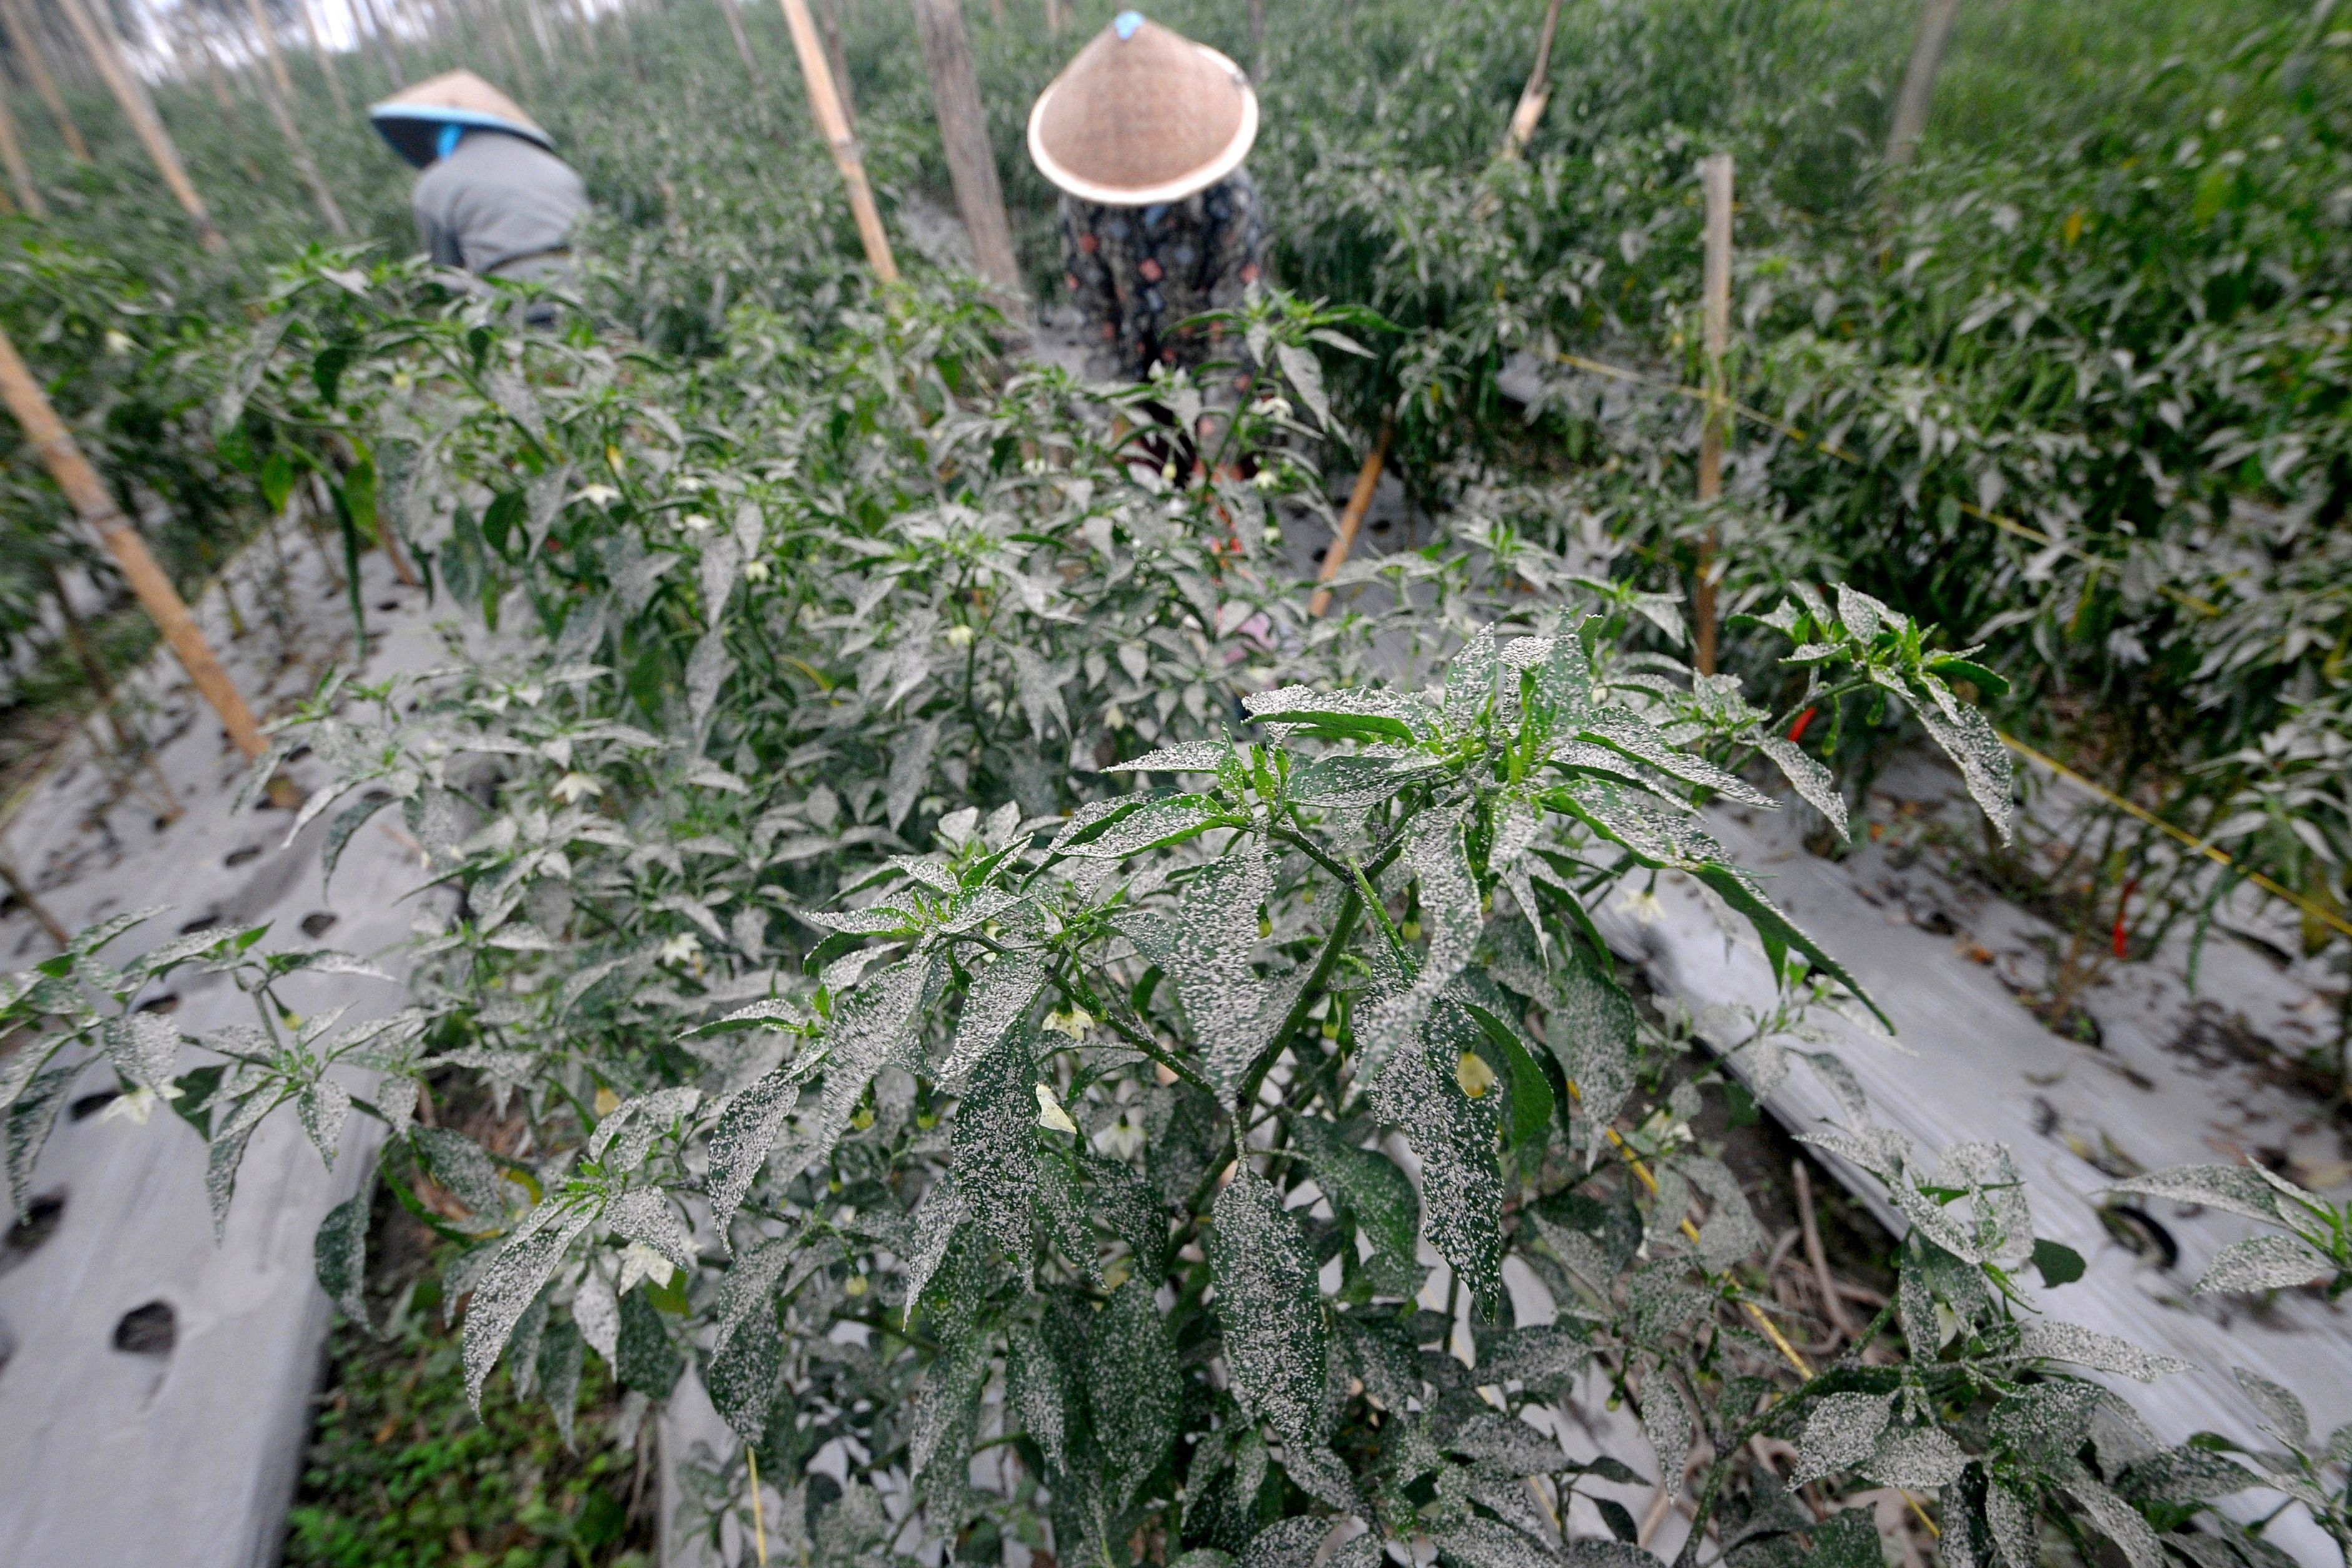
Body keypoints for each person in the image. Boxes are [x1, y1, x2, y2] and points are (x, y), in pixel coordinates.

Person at [1026, 12, 1268, 388]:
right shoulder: (1088, 200)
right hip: (1138, 373)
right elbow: (1095, 310)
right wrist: (1120, 414)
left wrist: (1215, 441)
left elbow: (1234, 333)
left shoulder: (1227, 201)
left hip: (1212, 374)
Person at [368, 71, 587, 304]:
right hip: (588, 290)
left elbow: (447, 276)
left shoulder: (435, 182)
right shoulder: (558, 167)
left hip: (514, 300)